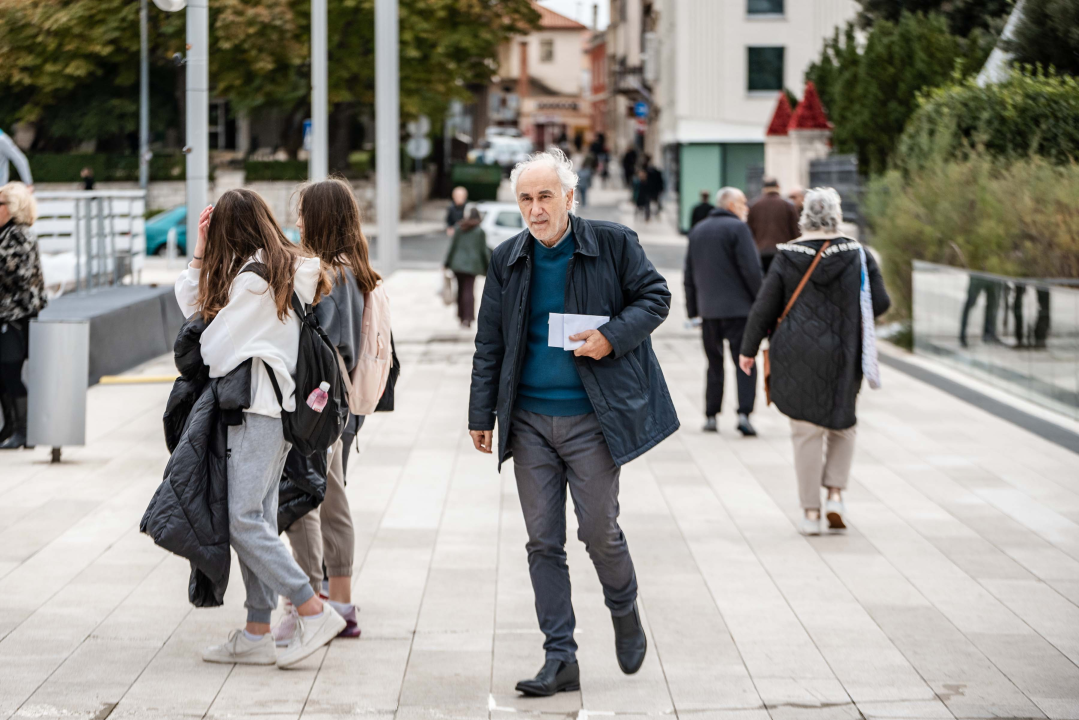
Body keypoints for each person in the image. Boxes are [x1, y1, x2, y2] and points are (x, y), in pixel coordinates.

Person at [469, 148, 679, 697]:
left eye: (545, 196)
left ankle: (624, 607)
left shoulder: (612, 243)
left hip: (592, 417)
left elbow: (656, 297)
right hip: (529, 420)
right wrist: (480, 412)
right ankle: (560, 656)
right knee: (543, 541)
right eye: (525, 199)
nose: (535, 210)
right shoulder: (507, 257)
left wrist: (612, 335)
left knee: (598, 532)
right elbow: (489, 340)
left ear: (569, 196)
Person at [174, 189, 347, 668]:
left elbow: (208, 348)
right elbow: (196, 305)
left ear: (232, 233)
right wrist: (202, 253)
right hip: (276, 414)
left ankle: (312, 608)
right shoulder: (281, 270)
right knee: (259, 517)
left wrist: (205, 258)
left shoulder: (254, 284)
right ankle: (256, 629)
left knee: (244, 519)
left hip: (256, 411)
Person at [738, 188, 890, 536]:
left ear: (804, 216)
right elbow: (880, 302)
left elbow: (765, 306)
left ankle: (810, 513)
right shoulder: (859, 254)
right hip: (844, 350)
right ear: (837, 216)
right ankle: (835, 495)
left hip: (795, 350)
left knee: (805, 431)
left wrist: (748, 349)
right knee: (843, 421)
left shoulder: (788, 255)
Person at [271, 177, 379, 646]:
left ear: (320, 218)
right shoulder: (354, 269)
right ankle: (342, 605)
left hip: (319, 403)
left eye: (303, 214)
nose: (296, 222)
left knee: (306, 496)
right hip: (342, 404)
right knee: (333, 497)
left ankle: (311, 604)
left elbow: (315, 342)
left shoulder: (327, 275)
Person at [684, 188, 762, 437]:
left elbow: (689, 274)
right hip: (739, 311)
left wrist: (693, 310)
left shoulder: (698, 230)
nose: (746, 207)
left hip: (709, 312)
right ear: (730, 205)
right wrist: (762, 304)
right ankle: (744, 414)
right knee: (745, 362)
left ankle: (711, 416)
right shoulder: (738, 229)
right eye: (742, 202)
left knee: (714, 363)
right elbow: (751, 270)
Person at [0, 182, 45, 450]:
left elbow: (19, 275)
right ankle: (11, 426)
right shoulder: (6, 233)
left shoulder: (19, 235)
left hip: (15, 316)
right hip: (6, 315)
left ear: (12, 208)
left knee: (10, 371)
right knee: (2, 373)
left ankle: (25, 431)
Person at [443, 207, 490, 328]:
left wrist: (446, 262)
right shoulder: (479, 231)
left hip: (457, 264)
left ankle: (460, 316)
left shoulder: (459, 227)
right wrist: (488, 266)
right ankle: (468, 318)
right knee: (469, 291)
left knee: (460, 290)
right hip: (472, 266)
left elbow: (452, 246)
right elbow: (483, 251)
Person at [747, 177, 800, 275]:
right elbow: (796, 232)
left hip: (760, 252)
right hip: (783, 253)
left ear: (763, 188)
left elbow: (749, 232)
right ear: (778, 186)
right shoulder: (788, 206)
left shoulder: (754, 206)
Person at [959, 275, 1002, 347]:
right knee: (970, 303)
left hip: (994, 276)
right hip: (978, 275)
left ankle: (989, 334)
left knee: (992, 306)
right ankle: (962, 335)